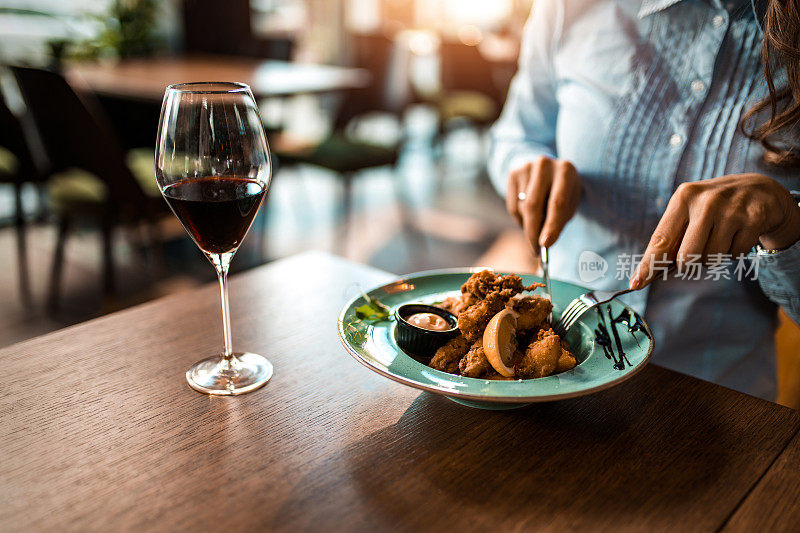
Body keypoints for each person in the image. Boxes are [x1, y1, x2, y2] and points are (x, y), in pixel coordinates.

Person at [489, 0, 800, 400]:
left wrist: (786, 222)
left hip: (717, 405)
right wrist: (527, 168)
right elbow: (515, 136)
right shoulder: (570, 6)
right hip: (550, 391)